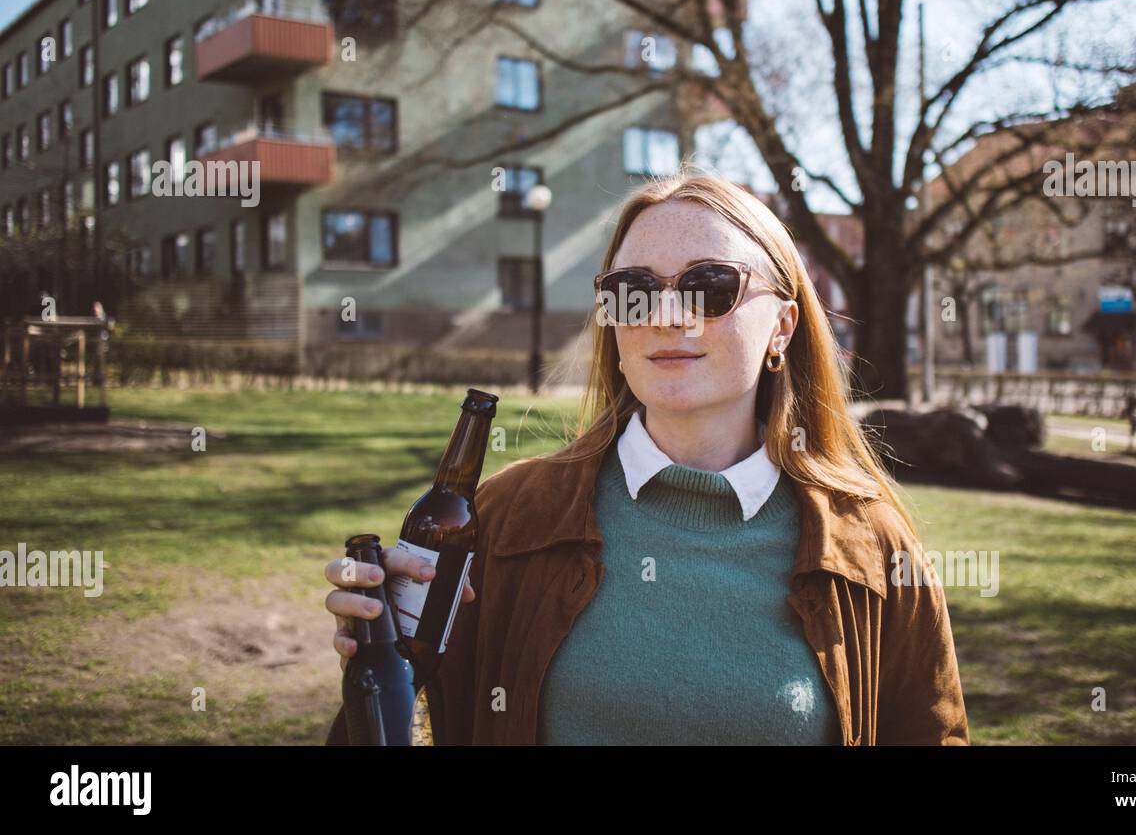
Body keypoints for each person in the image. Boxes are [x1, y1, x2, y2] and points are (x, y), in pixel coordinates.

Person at [323, 169, 969, 745]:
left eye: (709, 285)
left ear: (783, 326)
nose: (664, 314)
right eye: (633, 289)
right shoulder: (508, 517)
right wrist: (382, 669)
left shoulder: (871, 544)